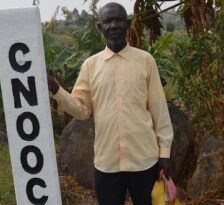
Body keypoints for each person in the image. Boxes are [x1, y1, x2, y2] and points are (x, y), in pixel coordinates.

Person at [48, 2, 174, 205]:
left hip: (144, 161)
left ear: (128, 24)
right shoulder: (91, 66)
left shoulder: (145, 61)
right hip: (107, 164)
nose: (113, 26)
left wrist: (165, 153)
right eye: (107, 21)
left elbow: (159, 110)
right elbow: (81, 111)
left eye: (118, 20)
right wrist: (55, 89)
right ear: (100, 28)